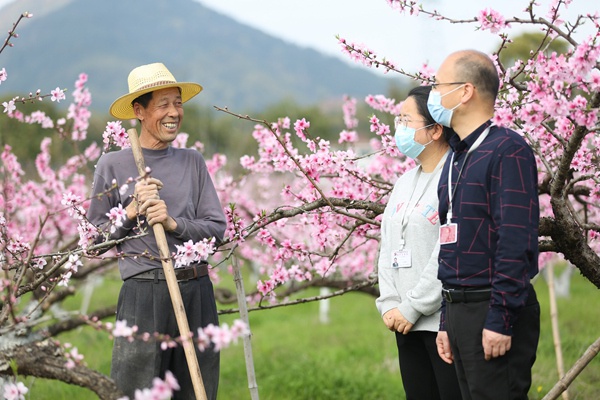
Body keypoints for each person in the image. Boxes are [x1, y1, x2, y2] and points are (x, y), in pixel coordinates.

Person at [87, 62, 226, 399]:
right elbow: (93, 241)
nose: (174, 112)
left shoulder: (192, 161)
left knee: (197, 390)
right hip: (143, 293)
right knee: (137, 391)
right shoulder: (113, 164)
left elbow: (216, 229)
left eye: (177, 103)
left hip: (196, 291)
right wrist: (132, 211)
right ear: (139, 110)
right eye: (163, 104)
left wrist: (172, 223)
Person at [430, 50, 540, 400]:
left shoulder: (507, 149)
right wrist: (447, 320)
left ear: (465, 92)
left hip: (492, 306)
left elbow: (515, 239)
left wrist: (501, 317)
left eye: (437, 85)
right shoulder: (456, 157)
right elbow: (451, 245)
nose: (432, 94)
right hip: (459, 308)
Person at [376, 85, 462, 400]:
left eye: (406, 120)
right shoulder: (403, 182)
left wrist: (412, 307)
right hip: (402, 323)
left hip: (442, 324)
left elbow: (448, 251)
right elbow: (387, 247)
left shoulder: (456, 177)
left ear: (436, 129)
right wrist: (389, 303)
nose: (398, 129)